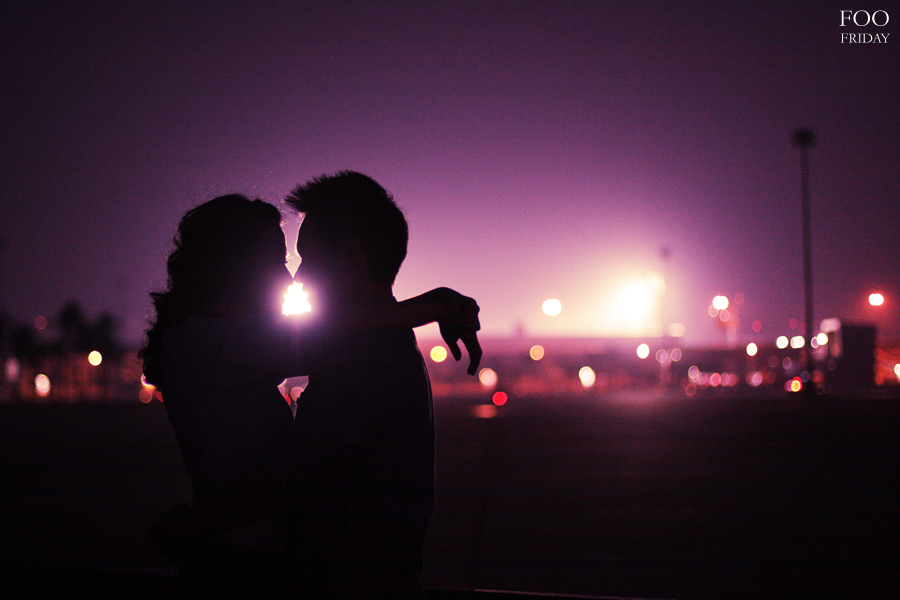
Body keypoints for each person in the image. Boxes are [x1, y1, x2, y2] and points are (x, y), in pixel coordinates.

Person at [140, 194, 480, 597]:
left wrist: (194, 524)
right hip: (240, 567)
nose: (291, 279)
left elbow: (333, 330)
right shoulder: (201, 343)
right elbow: (332, 330)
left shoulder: (218, 346)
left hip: (247, 563)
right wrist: (438, 305)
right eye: (276, 262)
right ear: (232, 269)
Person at [283, 172, 461, 598]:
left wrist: (197, 525)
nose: (298, 276)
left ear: (349, 255)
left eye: (309, 257)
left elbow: (288, 477)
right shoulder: (379, 343)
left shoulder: (366, 356)